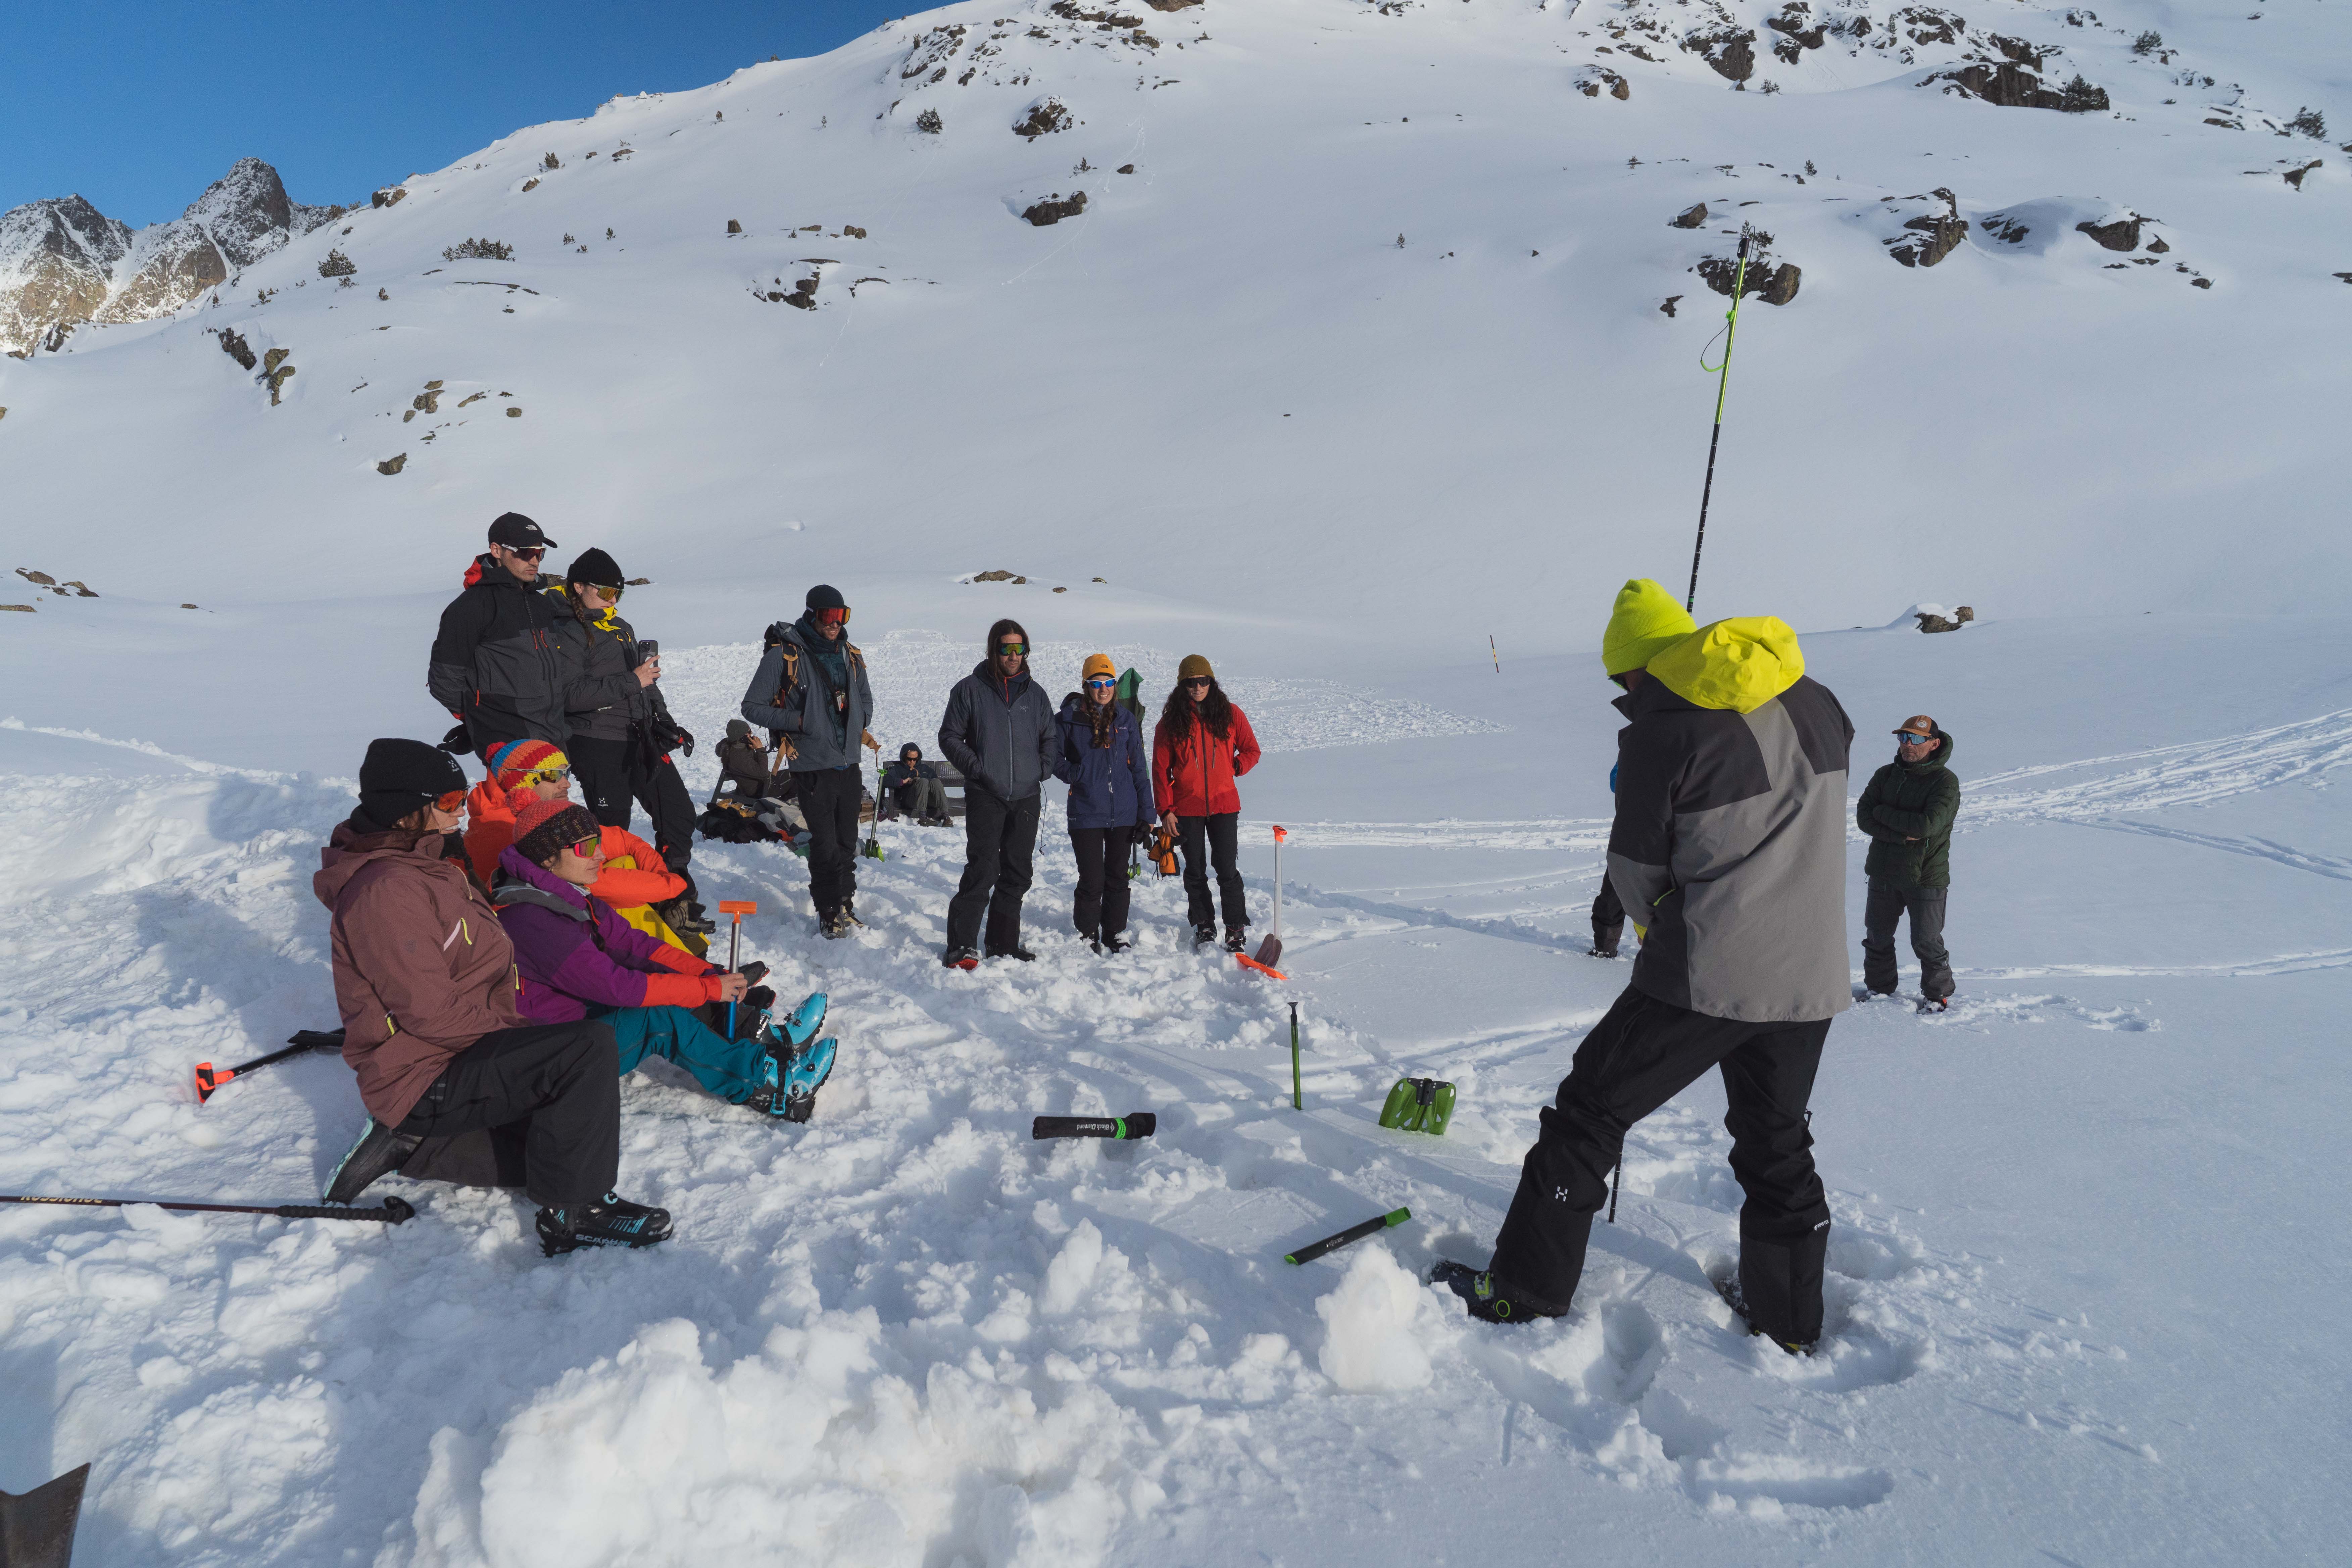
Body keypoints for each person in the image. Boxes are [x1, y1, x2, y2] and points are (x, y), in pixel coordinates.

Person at [1435, 580, 1853, 1354]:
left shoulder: (1664, 731)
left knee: (1587, 1115)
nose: (1625, 696)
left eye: (1622, 681)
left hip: (1708, 969)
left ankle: (1524, 1291)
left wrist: (1660, 925)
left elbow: (1635, 870)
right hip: (1813, 970)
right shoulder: (1815, 698)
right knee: (1776, 1137)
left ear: (1640, 667)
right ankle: (1789, 1320)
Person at [312, 738, 671, 1256]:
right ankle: (574, 1211)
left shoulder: (425, 863)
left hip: (454, 1052)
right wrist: (524, 1042)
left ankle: (415, 1147)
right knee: (585, 1048)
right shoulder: (386, 890)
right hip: (425, 1072)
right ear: (406, 810)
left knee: (556, 1147)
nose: (461, 812)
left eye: (462, 799)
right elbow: (430, 1012)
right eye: (449, 802)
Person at [490, 795, 838, 1120]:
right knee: (659, 1018)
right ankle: (769, 1087)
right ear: (547, 857)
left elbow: (634, 945)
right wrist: (707, 989)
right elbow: (619, 988)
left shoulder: (566, 894)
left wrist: (706, 973)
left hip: (580, 1020)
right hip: (554, 1058)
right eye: (587, 848)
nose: (601, 856)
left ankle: (766, 1041)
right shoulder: (531, 920)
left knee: (679, 986)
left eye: (600, 844)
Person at [547, 549, 705, 929]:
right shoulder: (566, 631)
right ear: (579, 587)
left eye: (618, 593)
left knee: (678, 813)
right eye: (605, 592)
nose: (613, 600)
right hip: (596, 740)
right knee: (613, 829)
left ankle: (673, 896)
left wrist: (663, 719)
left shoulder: (621, 627)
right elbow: (569, 695)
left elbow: (645, 680)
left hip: (640, 737)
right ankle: (619, 915)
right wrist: (632, 680)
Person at [428, 512, 652, 756]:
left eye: (539, 553)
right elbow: (444, 680)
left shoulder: (541, 605)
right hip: (509, 742)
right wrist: (479, 722)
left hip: (554, 736)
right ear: (496, 550)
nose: (534, 560)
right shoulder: (472, 606)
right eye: (525, 552)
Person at [462, 738, 700, 952]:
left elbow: (623, 840)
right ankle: (684, 964)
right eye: (554, 775)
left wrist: (662, 882)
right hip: (524, 945)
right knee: (610, 890)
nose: (567, 784)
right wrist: (671, 888)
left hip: (550, 926)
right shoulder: (509, 829)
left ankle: (688, 960)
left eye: (566, 773)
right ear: (521, 782)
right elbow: (598, 885)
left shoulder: (536, 813)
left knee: (623, 863)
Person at [741, 585, 877, 938]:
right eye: (828, 616)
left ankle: (845, 903)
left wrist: (860, 722)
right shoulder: (784, 656)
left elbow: (865, 699)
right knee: (825, 842)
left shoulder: (851, 655)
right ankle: (829, 911)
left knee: (848, 840)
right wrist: (800, 722)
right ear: (812, 614)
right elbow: (752, 707)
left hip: (849, 761)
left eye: (842, 616)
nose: (835, 624)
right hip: (812, 763)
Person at [937, 618, 1058, 967]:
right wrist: (977, 769)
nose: (1014, 655)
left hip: (1026, 795)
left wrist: (1042, 768)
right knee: (984, 868)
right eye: (1007, 648)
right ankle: (962, 945)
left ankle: (1003, 943)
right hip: (986, 793)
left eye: (1020, 648)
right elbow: (949, 736)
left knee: (1018, 872)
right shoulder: (970, 689)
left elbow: (1050, 737)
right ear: (994, 650)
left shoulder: (1036, 694)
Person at [1152, 654, 1262, 951]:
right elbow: (1160, 771)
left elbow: (1252, 750)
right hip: (1186, 808)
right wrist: (1165, 811)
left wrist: (1235, 767)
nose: (1198, 687)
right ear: (1182, 686)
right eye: (1191, 683)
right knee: (1195, 870)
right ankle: (1204, 925)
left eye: (1203, 681)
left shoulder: (1230, 714)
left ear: (1211, 682)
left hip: (1224, 805)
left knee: (1227, 868)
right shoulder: (1170, 723)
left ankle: (1235, 928)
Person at [1857, 714, 1960, 1010]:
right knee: (1877, 937)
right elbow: (1864, 817)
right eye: (1903, 738)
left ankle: (1938, 996)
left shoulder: (1945, 781)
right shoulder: (1885, 775)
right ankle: (1879, 990)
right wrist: (1901, 836)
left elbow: (1926, 826)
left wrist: (1882, 813)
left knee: (1926, 941)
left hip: (1926, 875)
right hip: (1883, 871)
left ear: (1934, 744)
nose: (1908, 745)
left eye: (1915, 739)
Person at [1055, 654, 1156, 952]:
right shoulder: (1068, 719)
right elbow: (1052, 759)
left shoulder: (1125, 720)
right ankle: (1088, 934)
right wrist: (1077, 774)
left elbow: (1139, 768)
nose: (1104, 689)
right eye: (1096, 683)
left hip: (1124, 812)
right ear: (1085, 685)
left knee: (1118, 877)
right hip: (1086, 811)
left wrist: (1147, 813)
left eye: (1109, 682)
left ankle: (1115, 932)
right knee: (1092, 878)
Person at [714, 720, 812, 842]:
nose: (751, 735)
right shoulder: (739, 756)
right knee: (797, 776)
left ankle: (786, 805)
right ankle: (788, 807)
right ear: (741, 737)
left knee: (792, 773)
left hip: (753, 784)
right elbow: (763, 773)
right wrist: (760, 750)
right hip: (760, 789)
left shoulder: (732, 746)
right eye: (749, 733)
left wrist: (751, 749)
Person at [880, 742, 953, 826]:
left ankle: (946, 817)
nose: (912, 761)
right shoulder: (898, 769)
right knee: (923, 782)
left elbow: (937, 785)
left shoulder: (925, 769)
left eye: (915, 759)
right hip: (910, 800)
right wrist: (903, 782)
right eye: (909, 759)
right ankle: (923, 818)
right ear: (904, 757)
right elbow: (884, 780)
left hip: (929, 801)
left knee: (935, 781)